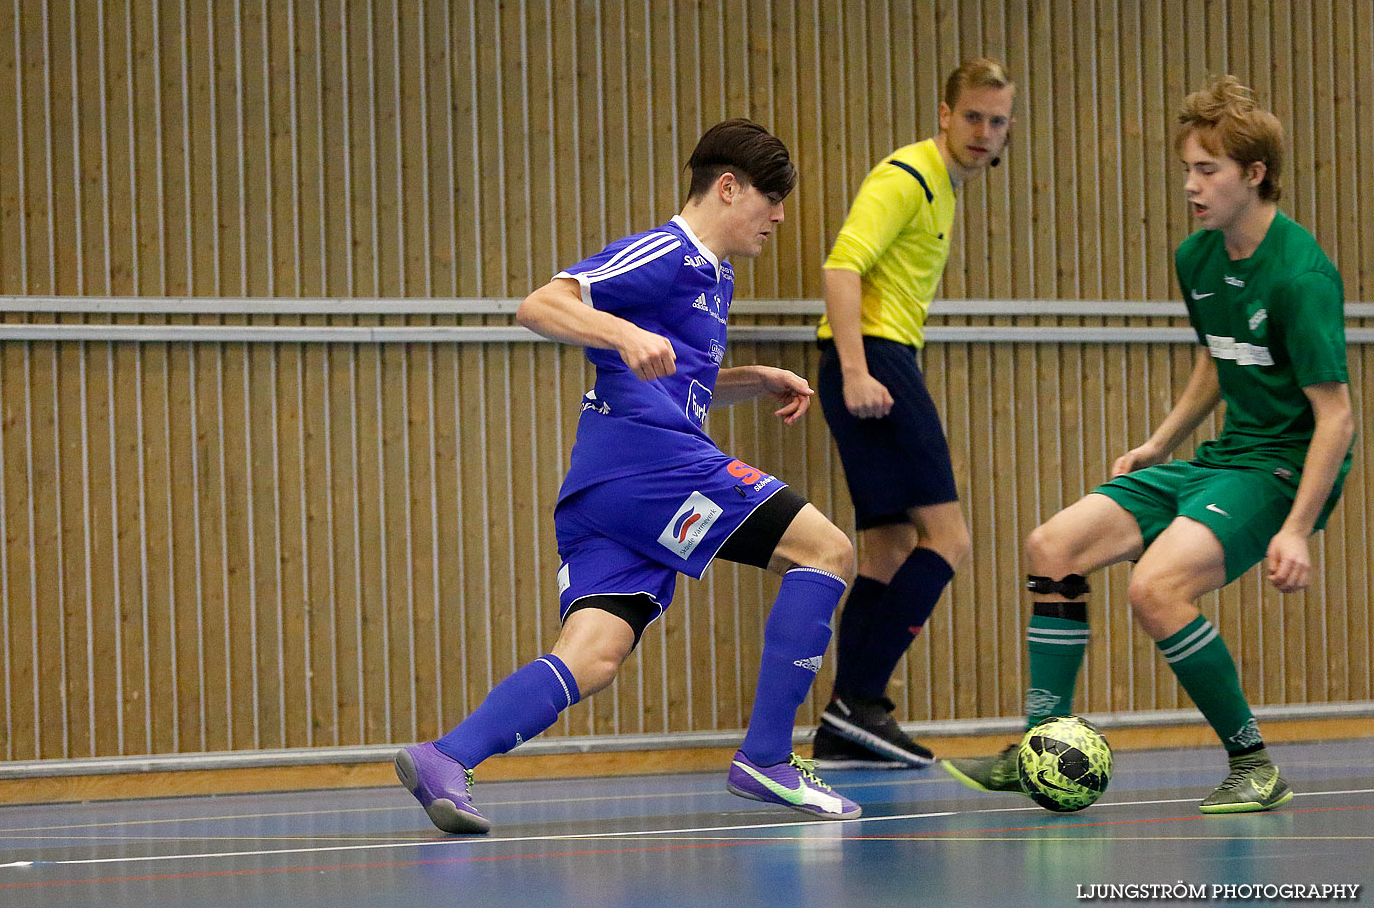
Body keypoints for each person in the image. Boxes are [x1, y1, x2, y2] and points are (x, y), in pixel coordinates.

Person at [396, 119, 862, 834]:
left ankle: (445, 757)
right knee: (827, 550)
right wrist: (619, 330)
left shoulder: (716, 276)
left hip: (610, 495)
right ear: (728, 187)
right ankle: (766, 758)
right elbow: (541, 305)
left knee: (595, 653)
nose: (778, 216)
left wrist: (750, 379)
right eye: (770, 198)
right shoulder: (668, 251)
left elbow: (665, 373)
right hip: (652, 469)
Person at [943, 76, 1354, 813]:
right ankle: (1039, 744)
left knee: (1155, 589)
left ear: (1254, 175)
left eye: (1208, 170)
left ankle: (1253, 764)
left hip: (1281, 469)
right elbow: (1217, 357)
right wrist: (1162, 442)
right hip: (1223, 459)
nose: (1191, 186)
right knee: (1052, 546)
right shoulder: (1199, 259)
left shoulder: (1301, 277)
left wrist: (1297, 529)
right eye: (1187, 170)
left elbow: (1338, 418)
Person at [812, 58, 1016, 768]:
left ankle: (847, 720)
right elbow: (843, 267)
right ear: (944, 114)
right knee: (948, 537)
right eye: (973, 117)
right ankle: (859, 702)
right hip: (874, 359)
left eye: (997, 121)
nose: (984, 132)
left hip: (875, 359)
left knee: (888, 548)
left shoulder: (948, 190)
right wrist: (859, 368)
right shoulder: (907, 177)